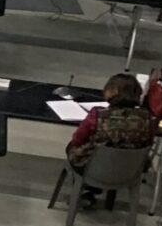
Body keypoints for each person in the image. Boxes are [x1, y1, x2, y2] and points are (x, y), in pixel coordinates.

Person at [66, 73, 154, 208]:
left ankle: (88, 191)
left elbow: (77, 140)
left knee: (72, 147)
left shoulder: (97, 115)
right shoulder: (147, 119)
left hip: (94, 168)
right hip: (130, 170)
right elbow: (148, 143)